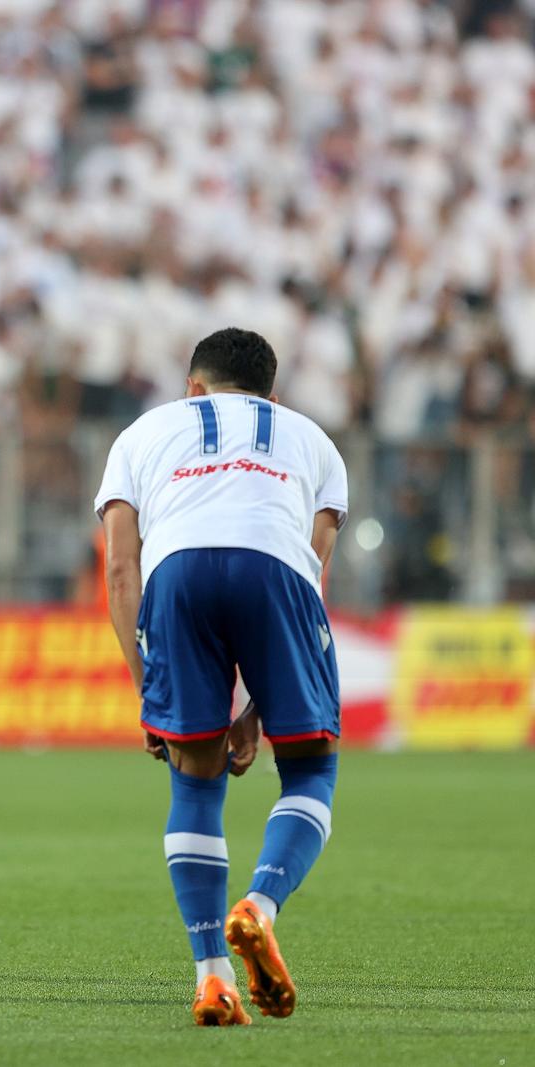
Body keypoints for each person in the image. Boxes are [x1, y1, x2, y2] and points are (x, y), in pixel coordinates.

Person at [94, 328, 347, 1026]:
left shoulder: (143, 433)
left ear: (194, 388)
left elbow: (120, 571)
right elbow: (309, 570)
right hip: (277, 569)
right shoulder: (313, 441)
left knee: (194, 780)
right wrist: (257, 712)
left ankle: (212, 976)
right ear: (271, 395)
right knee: (310, 771)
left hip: (178, 571)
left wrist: (151, 689)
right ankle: (259, 905)